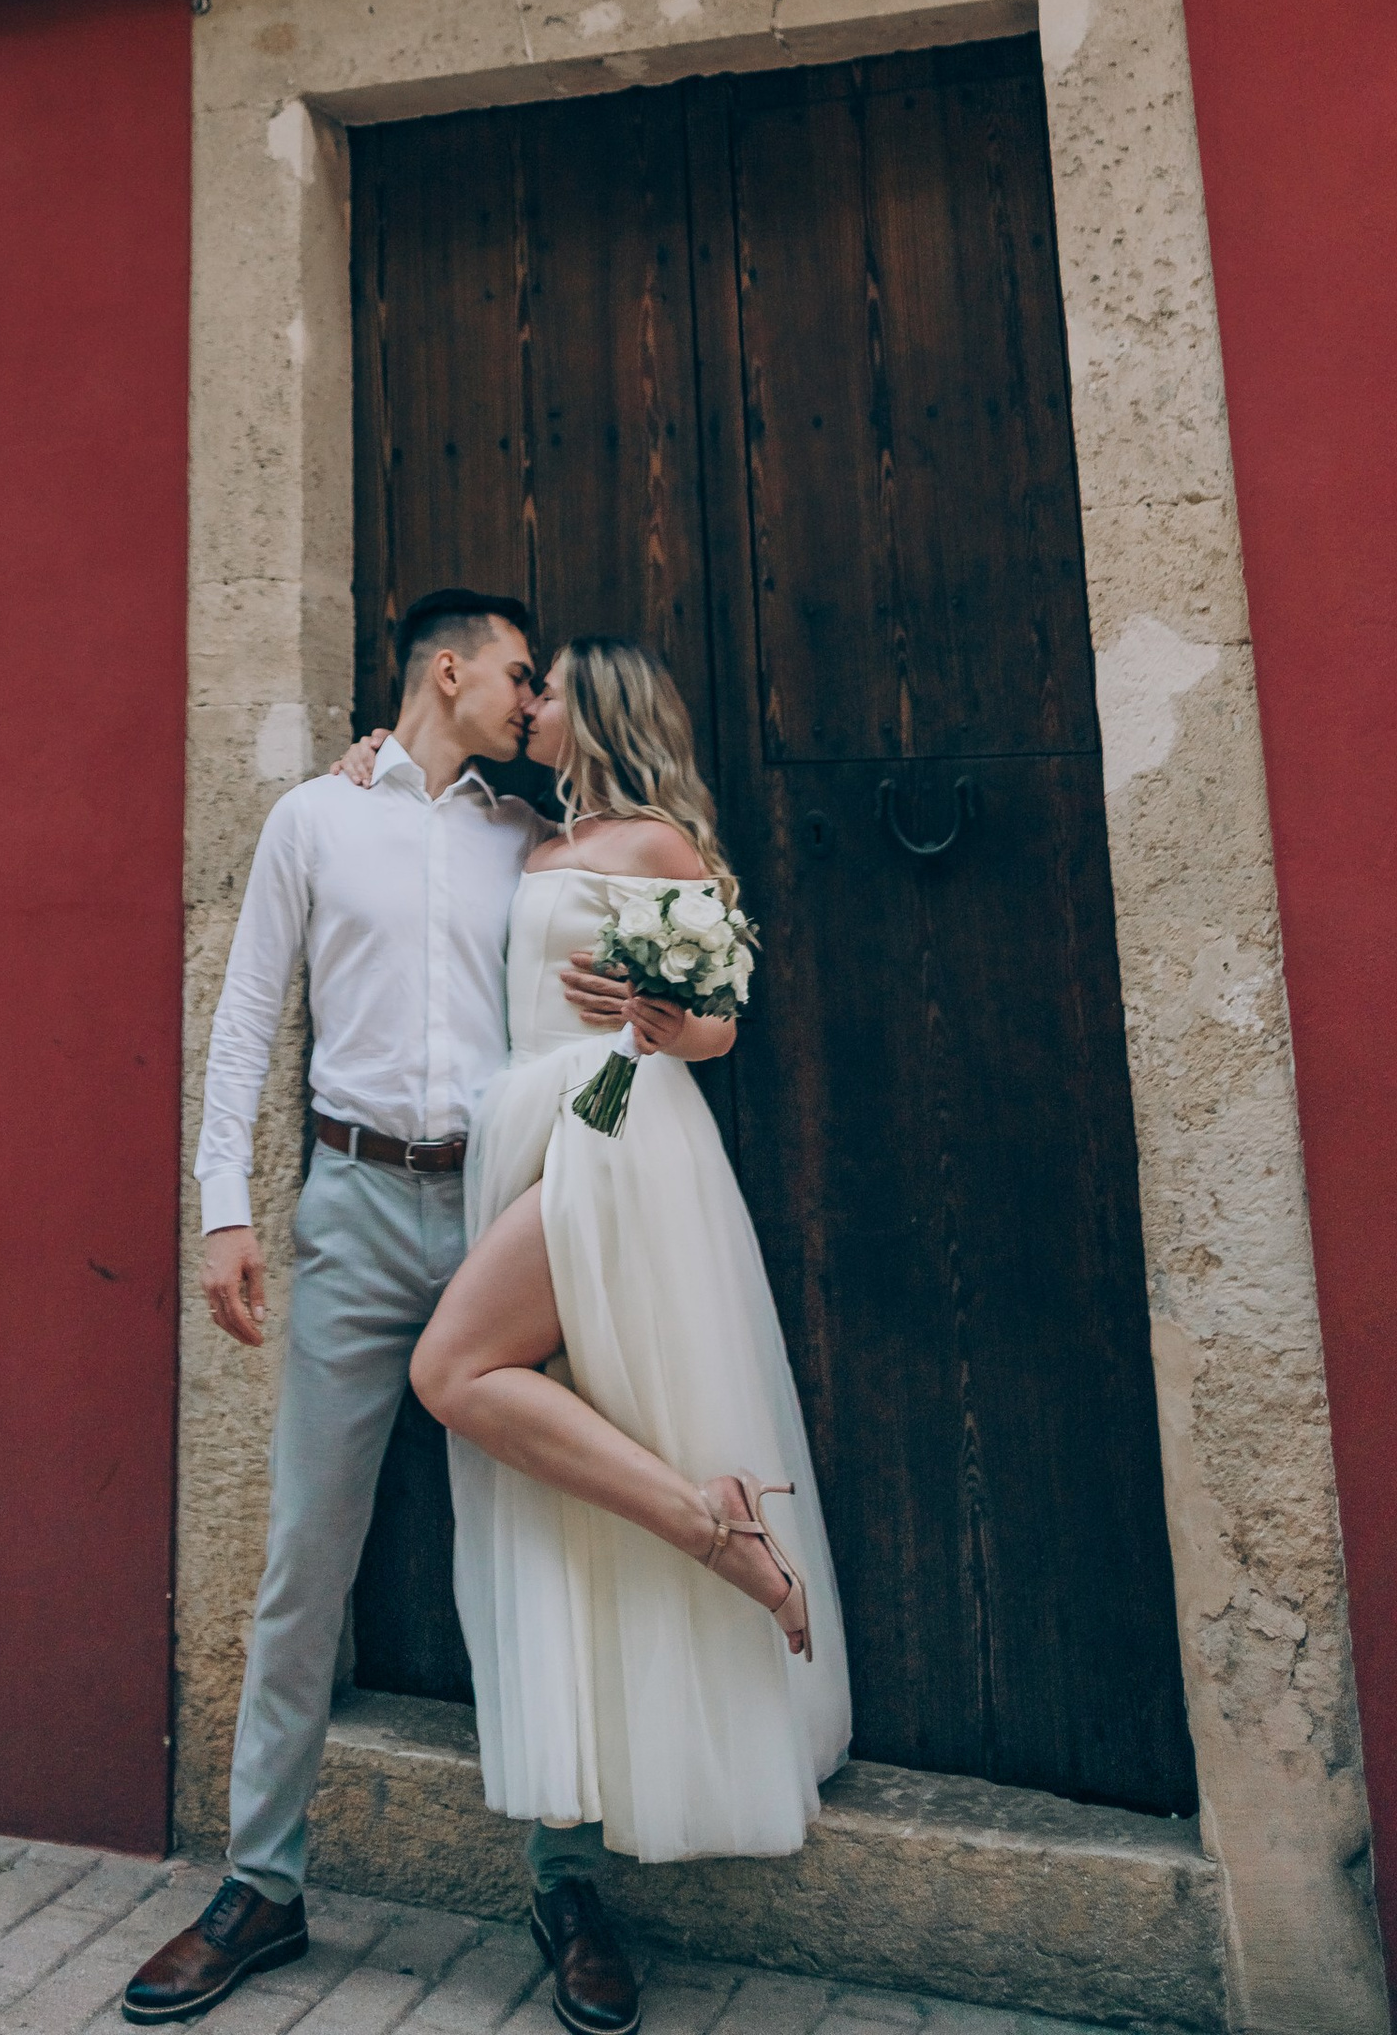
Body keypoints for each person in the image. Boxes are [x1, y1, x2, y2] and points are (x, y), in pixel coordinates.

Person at [125, 591, 653, 2035]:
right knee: (307, 1553)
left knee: (532, 1545)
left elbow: (619, 948)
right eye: (518, 675)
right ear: (449, 670)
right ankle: (262, 1885)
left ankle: (568, 1884)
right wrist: (223, 1206)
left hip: (496, 1207)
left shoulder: (530, 837)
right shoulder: (316, 817)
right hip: (353, 1208)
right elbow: (248, 1014)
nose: (531, 701)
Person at [412, 637, 851, 1905]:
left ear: (595, 707)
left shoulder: (656, 842)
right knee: (556, 1408)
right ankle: (695, 1533)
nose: (530, 701)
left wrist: (664, 1020)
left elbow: (718, 1023)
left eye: (546, 686)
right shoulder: (531, 838)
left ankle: (716, 1531)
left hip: (609, 1128)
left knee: (453, 1369)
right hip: (526, 1123)